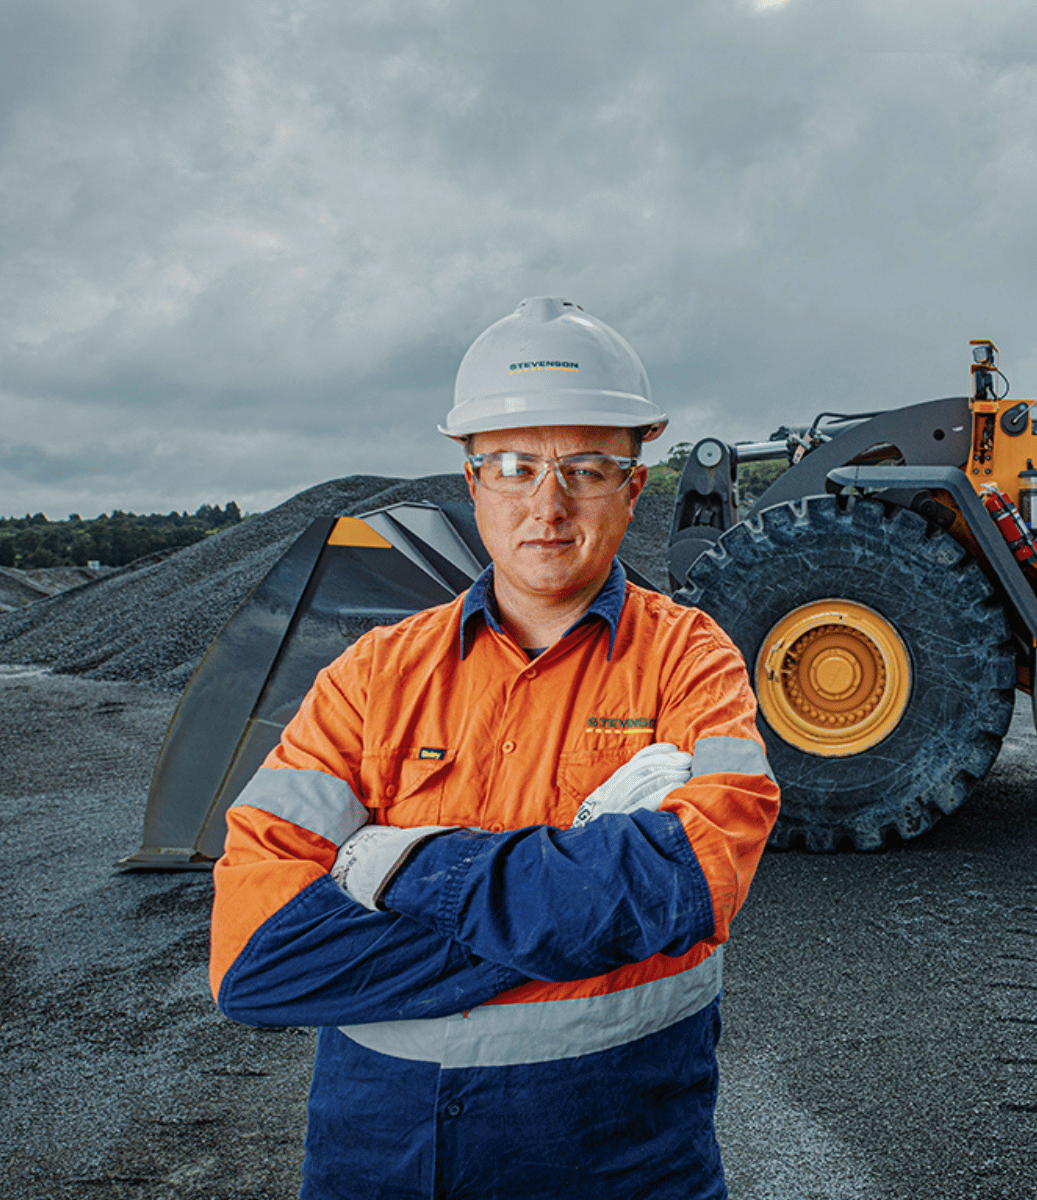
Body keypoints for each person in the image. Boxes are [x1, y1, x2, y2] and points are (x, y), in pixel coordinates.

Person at [208, 296, 780, 1198]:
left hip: (622, 1159)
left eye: (587, 469)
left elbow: (690, 883)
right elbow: (257, 959)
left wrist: (395, 868)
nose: (547, 506)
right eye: (513, 468)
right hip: (383, 1165)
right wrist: (580, 910)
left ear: (634, 487)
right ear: (472, 482)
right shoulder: (373, 674)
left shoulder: (690, 660)